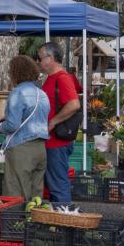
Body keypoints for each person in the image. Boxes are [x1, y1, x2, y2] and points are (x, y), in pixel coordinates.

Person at [0, 55, 50, 202]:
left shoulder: (18, 92)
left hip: (22, 148)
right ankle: (34, 221)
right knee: (36, 194)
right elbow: (35, 116)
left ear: (15, 73)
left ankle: (16, 224)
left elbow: (13, 125)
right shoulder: (42, 94)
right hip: (41, 148)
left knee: (15, 193)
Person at [37, 43, 81, 203]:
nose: (38, 62)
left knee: (58, 184)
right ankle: (58, 218)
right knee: (54, 184)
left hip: (56, 142)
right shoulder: (52, 78)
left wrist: (53, 122)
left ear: (52, 58)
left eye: (40, 58)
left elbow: (74, 104)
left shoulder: (62, 78)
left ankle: (64, 219)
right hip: (52, 141)